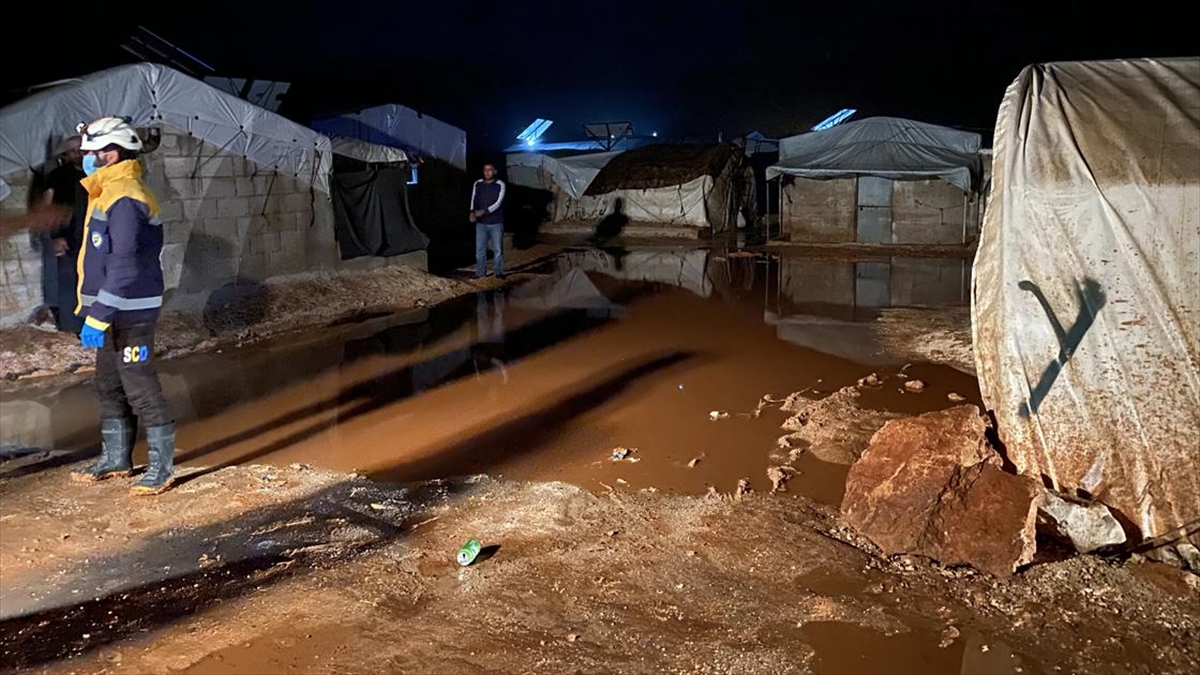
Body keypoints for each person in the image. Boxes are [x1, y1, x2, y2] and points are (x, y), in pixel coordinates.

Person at [68, 117, 176, 496]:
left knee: (139, 384)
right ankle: (117, 459)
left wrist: (99, 315)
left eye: (91, 153)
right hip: (111, 309)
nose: (86, 160)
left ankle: (162, 468)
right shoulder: (106, 191)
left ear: (110, 153)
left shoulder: (126, 196)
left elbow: (124, 265)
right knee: (108, 385)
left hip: (131, 309)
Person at [29, 135, 87, 333]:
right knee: (69, 284)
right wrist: (55, 237)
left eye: (80, 149)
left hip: (91, 234)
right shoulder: (59, 176)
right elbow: (48, 206)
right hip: (68, 237)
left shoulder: (95, 173)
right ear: (66, 154)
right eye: (72, 151)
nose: (77, 154)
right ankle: (71, 328)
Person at [470, 163, 506, 279]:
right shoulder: (478, 184)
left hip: (496, 222)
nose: (487, 172)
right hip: (481, 223)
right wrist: (472, 212)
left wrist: (484, 212)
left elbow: (498, 203)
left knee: (498, 249)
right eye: (485, 170)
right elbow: (473, 198)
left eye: (490, 170)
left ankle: (498, 272)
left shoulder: (500, 185)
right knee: (480, 249)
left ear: (495, 171)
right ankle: (480, 272)